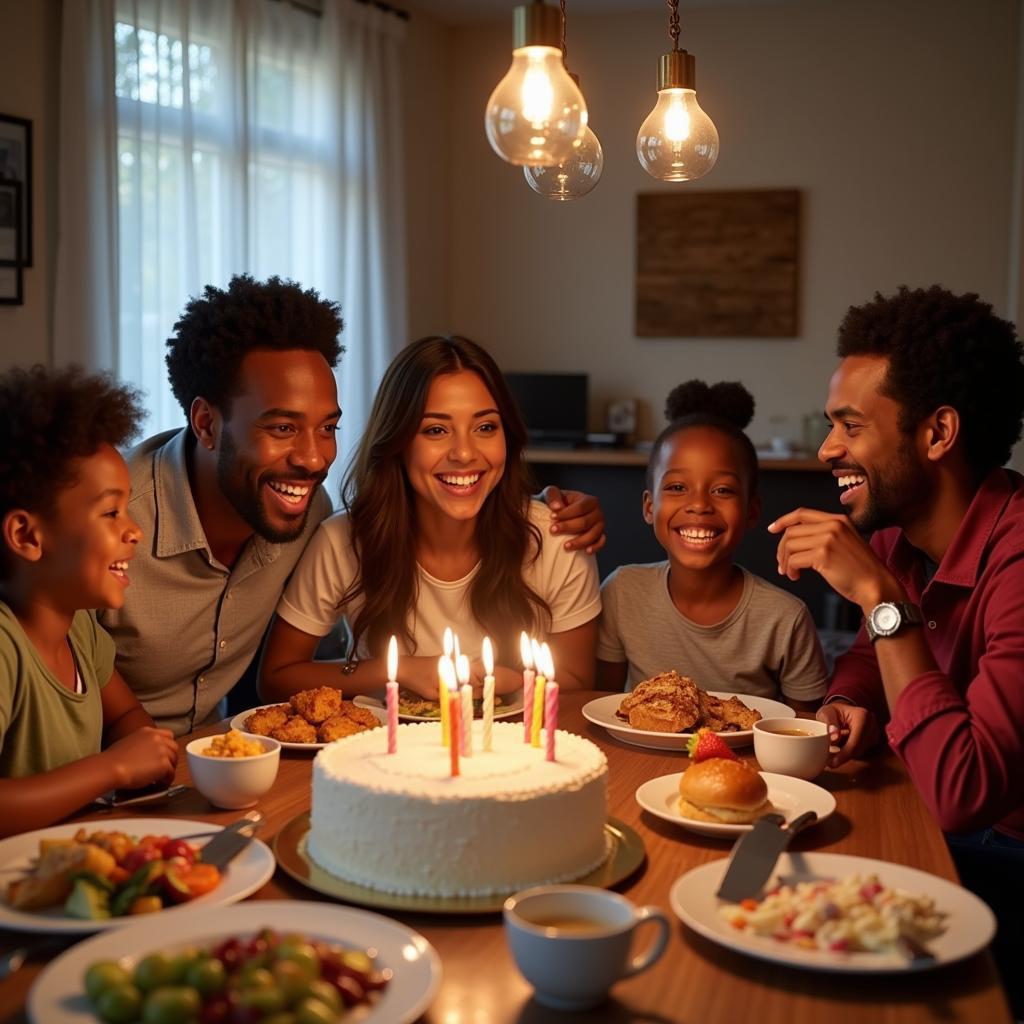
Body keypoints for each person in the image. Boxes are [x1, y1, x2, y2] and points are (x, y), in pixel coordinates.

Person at [101, 276, 605, 736]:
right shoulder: (112, 517)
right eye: (282, 427)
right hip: (104, 764)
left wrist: (550, 507)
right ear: (207, 424)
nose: (315, 457)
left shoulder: (301, 510)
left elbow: (577, 681)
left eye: (328, 428)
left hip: (199, 755)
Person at [768, 285, 1024, 1014]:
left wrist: (882, 602)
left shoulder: (1017, 556)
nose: (827, 449)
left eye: (851, 425)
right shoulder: (897, 537)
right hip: (948, 833)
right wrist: (850, 701)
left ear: (938, 433)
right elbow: (862, 663)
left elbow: (962, 794)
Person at [260, 335, 601, 700]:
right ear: (398, 441)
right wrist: (404, 670)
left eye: (485, 427)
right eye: (436, 430)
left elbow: (578, 683)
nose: (465, 453)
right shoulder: (342, 540)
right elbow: (277, 679)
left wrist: (512, 682)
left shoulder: (556, 537)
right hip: (384, 749)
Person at [0, 366, 178, 837]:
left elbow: (124, 714)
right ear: (27, 536)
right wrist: (113, 769)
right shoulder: (4, 647)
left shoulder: (78, 629)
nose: (134, 530)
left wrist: (148, 749)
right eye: (111, 512)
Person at [596, 380, 827, 708]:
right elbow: (604, 706)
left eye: (722, 490)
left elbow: (805, 733)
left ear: (751, 511)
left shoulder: (785, 618)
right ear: (649, 507)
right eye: (677, 487)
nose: (700, 505)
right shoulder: (622, 592)